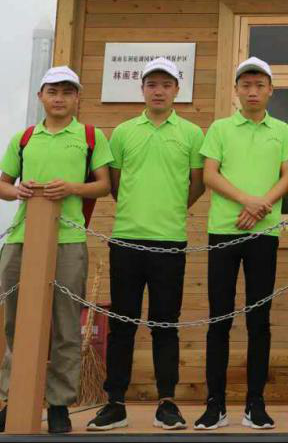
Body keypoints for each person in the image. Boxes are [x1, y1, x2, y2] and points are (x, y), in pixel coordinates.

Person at [0, 66, 112, 435]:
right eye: (52, 91)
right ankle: (13, 401)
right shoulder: (24, 138)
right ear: (41, 96)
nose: (59, 98)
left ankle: (59, 405)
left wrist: (71, 187)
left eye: (67, 92)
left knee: (66, 325)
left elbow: (103, 186)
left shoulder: (90, 137)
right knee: (16, 323)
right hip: (21, 238)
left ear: (77, 98)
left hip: (69, 240)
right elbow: (2, 185)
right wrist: (17, 191)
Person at [87, 58, 206, 432]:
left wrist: (172, 209)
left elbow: (197, 183)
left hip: (170, 242)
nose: (159, 91)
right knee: (122, 325)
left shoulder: (192, 134)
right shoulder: (123, 132)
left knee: (165, 325)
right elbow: (115, 183)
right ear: (142, 89)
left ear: (177, 90)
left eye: (166, 85)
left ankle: (167, 403)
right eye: (152, 84)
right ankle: (115, 403)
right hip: (126, 239)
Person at [195, 57, 288, 432]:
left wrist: (261, 206)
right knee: (219, 318)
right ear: (236, 90)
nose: (252, 92)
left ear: (270, 90)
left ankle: (256, 403)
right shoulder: (220, 128)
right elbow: (210, 175)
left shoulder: (281, 130)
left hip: (263, 234)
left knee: (259, 320)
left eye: (259, 85)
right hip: (224, 230)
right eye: (246, 85)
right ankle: (215, 404)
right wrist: (247, 201)